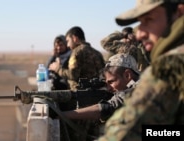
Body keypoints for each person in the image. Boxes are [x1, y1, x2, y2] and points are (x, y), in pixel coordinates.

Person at [98, 0, 184, 140]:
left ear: (179, 12)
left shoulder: (170, 66)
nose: (139, 34)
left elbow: (123, 134)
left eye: (149, 19)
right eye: (140, 22)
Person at [62, 53, 140, 140]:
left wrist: (62, 115)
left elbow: (107, 108)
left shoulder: (140, 88)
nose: (109, 88)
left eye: (111, 82)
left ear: (127, 75)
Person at [49, 26, 106, 91]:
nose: (67, 45)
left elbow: (73, 75)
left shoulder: (77, 52)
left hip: (80, 93)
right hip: (97, 92)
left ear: (74, 38)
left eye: (68, 41)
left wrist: (57, 68)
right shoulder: (97, 53)